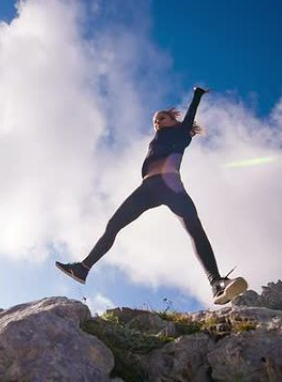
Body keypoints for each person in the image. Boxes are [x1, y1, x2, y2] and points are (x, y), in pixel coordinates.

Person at [55, 87, 247, 305]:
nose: (157, 123)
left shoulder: (180, 132)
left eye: (161, 118)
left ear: (173, 120)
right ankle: (83, 268)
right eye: (155, 121)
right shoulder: (159, 137)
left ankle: (217, 283)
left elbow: (190, 116)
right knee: (114, 225)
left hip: (171, 186)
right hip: (148, 188)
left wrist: (197, 96)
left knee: (195, 230)